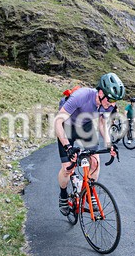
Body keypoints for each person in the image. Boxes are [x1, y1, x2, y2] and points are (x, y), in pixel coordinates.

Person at [54, 73, 125, 215]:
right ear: (100, 93)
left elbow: (102, 123)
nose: (112, 104)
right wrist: (68, 146)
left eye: (115, 101)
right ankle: (63, 195)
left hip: (85, 126)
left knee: (95, 162)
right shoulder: (81, 96)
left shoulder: (109, 104)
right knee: (68, 168)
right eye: (110, 99)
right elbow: (57, 121)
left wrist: (109, 144)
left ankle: (88, 192)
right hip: (67, 126)